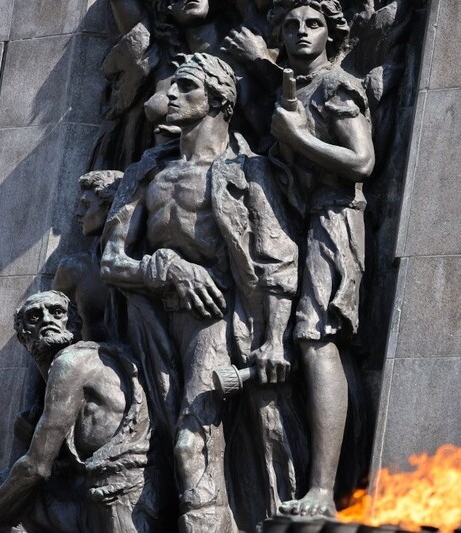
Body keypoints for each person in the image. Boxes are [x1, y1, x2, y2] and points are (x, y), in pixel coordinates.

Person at [100, 53, 300, 532]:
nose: (169, 95)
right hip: (150, 325)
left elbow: (278, 262)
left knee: (193, 442)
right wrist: (167, 267)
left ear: (219, 99)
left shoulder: (248, 172)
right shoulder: (146, 173)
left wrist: (273, 339)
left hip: (218, 321)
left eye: (185, 86)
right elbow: (110, 261)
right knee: (154, 452)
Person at [267, 0, 375, 517]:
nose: (301, 33)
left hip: (334, 218)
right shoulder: (294, 85)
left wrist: (298, 139)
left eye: (312, 24)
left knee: (315, 341)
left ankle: (323, 493)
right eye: (291, 25)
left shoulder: (337, 86)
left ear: (331, 33)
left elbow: (362, 161)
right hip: (300, 217)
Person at [0, 291, 162, 532]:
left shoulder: (71, 362)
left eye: (57, 312)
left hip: (121, 508)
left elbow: (36, 467)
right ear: (23, 335)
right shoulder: (86, 361)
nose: (47, 320)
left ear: (73, 323)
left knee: (2, 511)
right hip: (114, 498)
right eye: (34, 316)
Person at [52, 170, 123, 342]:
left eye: (86, 204)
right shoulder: (73, 268)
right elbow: (50, 333)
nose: (78, 212)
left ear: (110, 207)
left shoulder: (145, 265)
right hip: (87, 363)